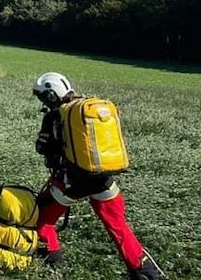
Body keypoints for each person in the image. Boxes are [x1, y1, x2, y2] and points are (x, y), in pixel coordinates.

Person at [31, 72, 159, 280]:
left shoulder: (55, 116)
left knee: (43, 216)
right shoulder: (88, 108)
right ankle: (143, 271)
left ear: (51, 95)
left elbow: (43, 147)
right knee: (118, 226)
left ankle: (50, 255)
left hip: (69, 182)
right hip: (103, 179)